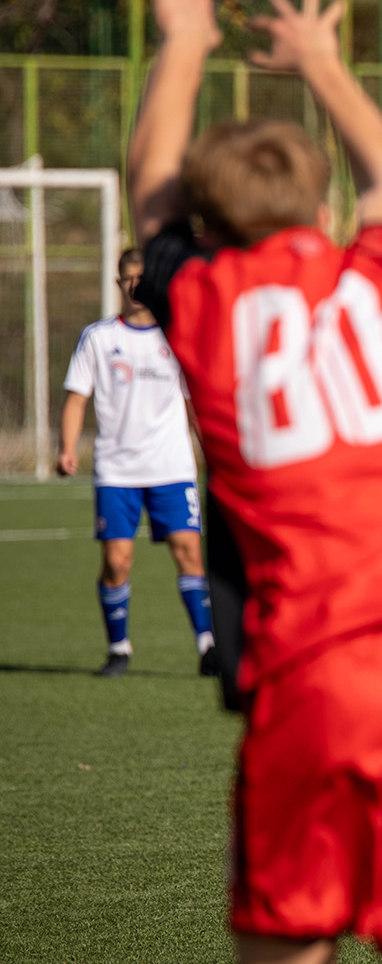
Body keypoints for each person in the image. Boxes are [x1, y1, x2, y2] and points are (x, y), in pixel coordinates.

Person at [124, 0, 382, 964]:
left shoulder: (208, 299)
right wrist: (320, 63)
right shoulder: (375, 280)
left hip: (313, 666)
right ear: (318, 201)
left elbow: (148, 196)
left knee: (287, 939)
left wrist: (183, 36)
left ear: (208, 227)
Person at [57, 247, 216, 678]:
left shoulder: (178, 336)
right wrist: (67, 448)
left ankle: (207, 647)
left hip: (172, 466)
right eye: (127, 278)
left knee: (188, 552)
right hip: (117, 469)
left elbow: (195, 404)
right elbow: (77, 398)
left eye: (141, 278)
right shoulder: (99, 337)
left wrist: (212, 454)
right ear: (118, 284)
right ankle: (119, 649)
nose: (135, 286)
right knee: (117, 560)